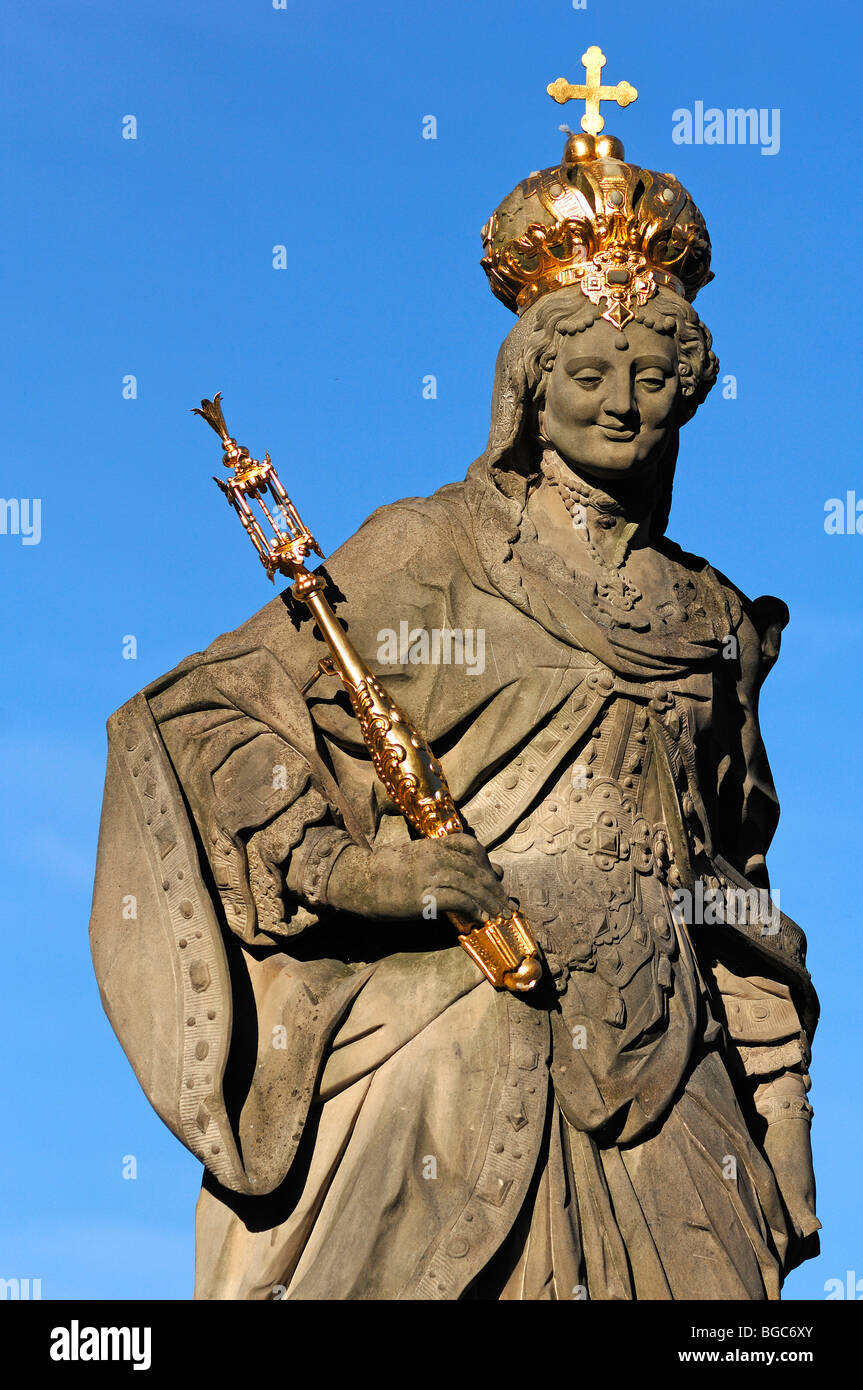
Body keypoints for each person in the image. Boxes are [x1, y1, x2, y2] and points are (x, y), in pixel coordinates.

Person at [90, 118, 819, 1301]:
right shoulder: (429, 553)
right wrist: (363, 872)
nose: (621, 407)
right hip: (454, 1019)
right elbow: (208, 718)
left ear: (687, 387)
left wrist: (777, 1098)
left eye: (649, 376)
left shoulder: (715, 622)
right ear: (529, 388)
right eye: (588, 375)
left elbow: (728, 873)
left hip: (667, 1061)